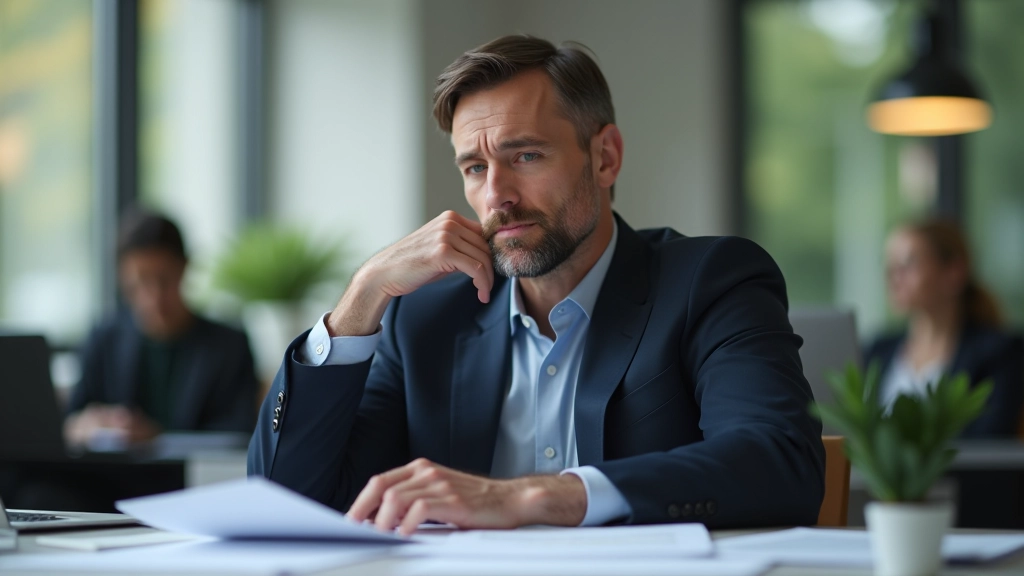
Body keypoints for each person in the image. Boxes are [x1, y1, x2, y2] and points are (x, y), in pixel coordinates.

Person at [249, 35, 825, 534]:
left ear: (605, 158)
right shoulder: (422, 318)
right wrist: (362, 296)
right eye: (475, 168)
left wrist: (534, 496)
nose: (496, 194)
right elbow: (286, 501)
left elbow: (778, 462)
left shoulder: (710, 281)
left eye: (525, 155)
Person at [65, 211, 259, 447]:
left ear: (185, 268)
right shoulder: (104, 340)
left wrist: (158, 439)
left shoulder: (230, 346)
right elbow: (71, 422)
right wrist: (90, 426)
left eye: (164, 279)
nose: (154, 297)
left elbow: (238, 435)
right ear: (122, 279)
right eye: (140, 282)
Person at [865, 219, 1023, 437]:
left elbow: (991, 439)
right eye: (889, 265)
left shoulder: (999, 354)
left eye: (908, 263)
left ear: (954, 272)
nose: (893, 275)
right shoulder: (877, 350)